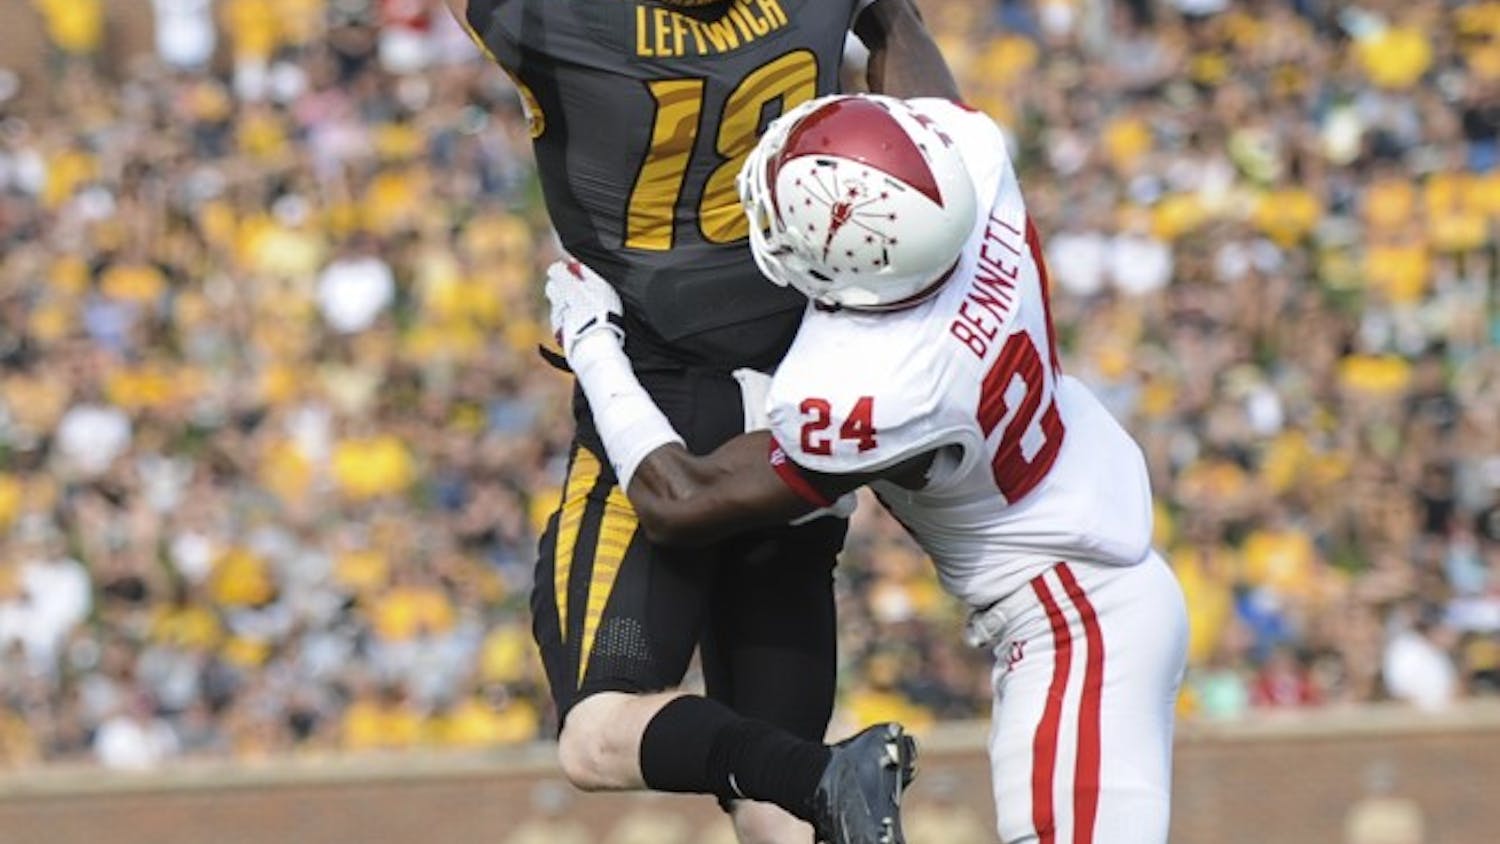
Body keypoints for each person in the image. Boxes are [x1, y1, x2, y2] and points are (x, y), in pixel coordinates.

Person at [547, 94, 1190, 844]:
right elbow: (900, 37)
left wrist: (592, 342)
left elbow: (679, 498)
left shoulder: (877, 386)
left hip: (1072, 622)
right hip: (1091, 581)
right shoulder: (972, 169)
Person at [440, 1, 959, 842]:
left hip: (660, 397)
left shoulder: (567, 26)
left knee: (597, 735)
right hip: (800, 397)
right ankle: (827, 780)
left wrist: (592, 347)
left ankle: (824, 773)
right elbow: (909, 53)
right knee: (774, 811)